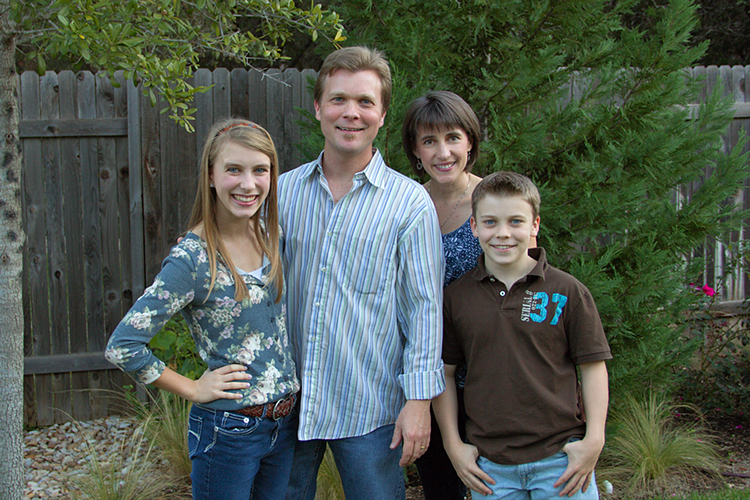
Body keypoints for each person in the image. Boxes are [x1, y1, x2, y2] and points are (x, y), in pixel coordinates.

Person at [279, 46, 445, 500]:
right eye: (338, 99)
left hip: (370, 407)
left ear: (382, 115)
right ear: (318, 107)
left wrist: (419, 401)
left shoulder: (409, 204)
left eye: (365, 102)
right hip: (288, 403)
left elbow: (425, 309)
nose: (351, 113)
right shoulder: (282, 192)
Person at [105, 118, 300, 500]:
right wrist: (193, 387)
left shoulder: (269, 235)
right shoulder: (193, 259)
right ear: (211, 175)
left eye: (260, 170)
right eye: (234, 170)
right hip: (229, 431)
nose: (248, 184)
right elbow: (123, 345)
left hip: (283, 425)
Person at [433, 171, 611, 499]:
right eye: (490, 222)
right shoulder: (456, 298)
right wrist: (453, 445)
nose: (503, 233)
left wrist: (594, 440)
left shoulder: (568, 291)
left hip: (561, 460)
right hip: (491, 468)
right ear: (474, 226)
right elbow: (443, 373)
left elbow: (592, 367)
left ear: (535, 225)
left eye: (516, 221)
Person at [401, 90, 483, 500]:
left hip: (488, 374)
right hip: (427, 376)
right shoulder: (404, 204)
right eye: (429, 141)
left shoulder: (495, 200)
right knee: (441, 488)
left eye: (452, 138)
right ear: (416, 150)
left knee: (493, 486)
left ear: (470, 141)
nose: (443, 152)